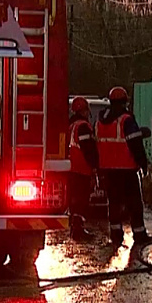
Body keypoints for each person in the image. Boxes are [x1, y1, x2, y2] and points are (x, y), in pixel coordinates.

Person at [95, 86, 152, 250]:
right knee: (134, 204)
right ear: (124, 101)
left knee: (113, 203)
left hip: (108, 170)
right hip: (127, 170)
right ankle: (139, 235)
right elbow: (135, 145)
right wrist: (143, 163)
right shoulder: (126, 120)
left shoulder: (100, 121)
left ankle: (115, 236)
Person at [68, 97, 100, 241]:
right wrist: (94, 167)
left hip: (71, 169)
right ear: (85, 110)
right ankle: (78, 230)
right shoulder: (83, 126)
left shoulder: (71, 125)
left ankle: (75, 228)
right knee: (82, 201)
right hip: (82, 169)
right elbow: (89, 149)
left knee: (75, 202)